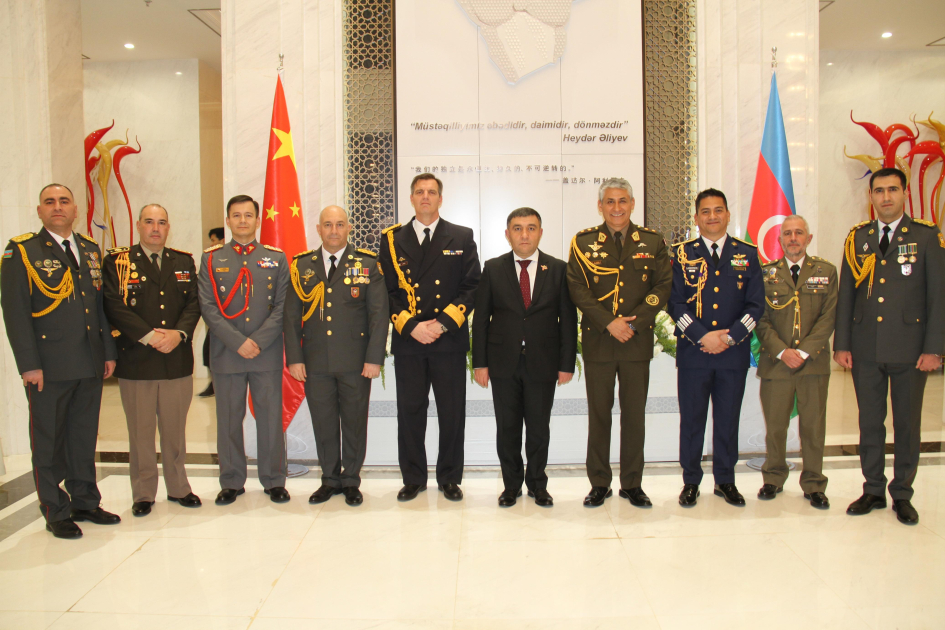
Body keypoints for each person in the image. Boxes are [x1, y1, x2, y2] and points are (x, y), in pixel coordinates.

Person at [0, 183, 119, 539]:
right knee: (48, 441)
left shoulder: (89, 249)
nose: (57, 207)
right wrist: (28, 364)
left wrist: (107, 352)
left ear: (75, 210)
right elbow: (15, 312)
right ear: (39, 211)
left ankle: (85, 500)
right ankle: (55, 509)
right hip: (48, 366)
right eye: (49, 202)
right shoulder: (22, 250)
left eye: (64, 201)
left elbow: (97, 306)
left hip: (89, 362)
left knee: (83, 437)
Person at [834, 167, 945, 525]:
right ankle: (873, 489)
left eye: (892, 190)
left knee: (907, 424)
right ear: (870, 196)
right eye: (879, 190)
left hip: (911, 349)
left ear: (904, 194)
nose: (885, 197)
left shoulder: (927, 236)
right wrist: (842, 343)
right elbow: (847, 295)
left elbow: (938, 296)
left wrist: (934, 348)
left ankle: (902, 493)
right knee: (870, 422)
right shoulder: (858, 238)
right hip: (865, 347)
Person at [566, 178, 672, 507]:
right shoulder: (583, 242)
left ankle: (632, 483)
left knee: (634, 416)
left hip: (635, 342)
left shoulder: (652, 241)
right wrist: (609, 322)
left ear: (632, 204)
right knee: (599, 415)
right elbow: (576, 287)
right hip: (599, 340)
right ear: (600, 206)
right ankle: (599, 482)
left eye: (622, 201)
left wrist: (634, 323)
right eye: (610, 202)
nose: (617, 207)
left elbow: (663, 286)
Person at [377, 173, 481, 502]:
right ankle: (413, 478)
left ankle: (449, 478)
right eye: (420, 192)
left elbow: (472, 286)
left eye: (432, 192)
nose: (425, 197)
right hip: (410, 340)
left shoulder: (461, 236)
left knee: (452, 413)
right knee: (410, 412)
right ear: (411, 198)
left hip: (447, 340)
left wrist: (442, 323)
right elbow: (386, 291)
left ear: (440, 199)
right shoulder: (392, 239)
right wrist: (411, 326)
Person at [102, 204, 203, 517]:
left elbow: (194, 303)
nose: (155, 228)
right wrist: (148, 336)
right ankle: (144, 492)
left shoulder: (183, 261)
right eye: (149, 222)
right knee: (141, 432)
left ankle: (179, 487)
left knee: (175, 431)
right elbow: (113, 304)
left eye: (161, 222)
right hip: (137, 361)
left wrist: (178, 334)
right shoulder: (118, 262)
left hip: (176, 360)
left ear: (168, 227)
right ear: (138, 225)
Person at [473, 207, 577, 507]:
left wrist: (566, 364)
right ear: (508, 234)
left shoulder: (557, 269)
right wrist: (480, 363)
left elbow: (568, 320)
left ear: (540, 233)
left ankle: (537, 484)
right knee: (507, 429)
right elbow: (481, 320)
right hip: (502, 362)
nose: (524, 235)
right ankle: (511, 486)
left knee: (538, 429)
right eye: (517, 228)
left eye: (531, 228)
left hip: (543, 362)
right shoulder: (493, 268)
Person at [285, 206, 388, 506]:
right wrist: (295, 358)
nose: (334, 230)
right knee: (324, 423)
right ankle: (329, 479)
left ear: (349, 228)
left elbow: (379, 314)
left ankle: (351, 480)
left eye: (340, 224)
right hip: (315, 361)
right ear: (318, 229)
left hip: (356, 362)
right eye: (328, 225)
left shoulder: (367, 264)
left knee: (354, 423)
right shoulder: (302, 265)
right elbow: (291, 316)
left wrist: (374, 358)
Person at [669, 188, 764, 507]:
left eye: (718, 210)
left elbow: (755, 306)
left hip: (732, 355)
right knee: (692, 421)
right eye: (706, 211)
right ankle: (691, 481)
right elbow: (675, 303)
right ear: (696, 218)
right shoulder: (682, 254)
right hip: (694, 354)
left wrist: (730, 337)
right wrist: (701, 336)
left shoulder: (747, 253)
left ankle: (725, 480)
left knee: (727, 420)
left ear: (727, 214)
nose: (712, 216)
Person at [197, 194, 291, 505]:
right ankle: (231, 481)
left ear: (257, 220)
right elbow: (208, 307)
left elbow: (283, 307)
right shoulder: (211, 259)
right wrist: (238, 342)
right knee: (228, 420)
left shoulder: (276, 258)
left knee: (270, 419)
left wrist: (258, 341)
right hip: (228, 354)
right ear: (227, 220)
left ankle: (274, 479)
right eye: (236, 215)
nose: (242, 221)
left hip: (266, 353)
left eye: (248, 215)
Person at [755, 215, 837, 509]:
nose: (793, 238)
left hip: (813, 364)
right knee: (776, 426)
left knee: (813, 427)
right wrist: (782, 351)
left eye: (799, 233)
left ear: (808, 238)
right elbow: (759, 318)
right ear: (780, 240)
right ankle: (774, 477)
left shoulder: (826, 271)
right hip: (776, 363)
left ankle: (814, 483)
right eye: (787, 233)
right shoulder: (765, 274)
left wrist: (802, 352)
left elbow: (829, 317)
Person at [198, 226, 225, 398]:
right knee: (207, 349)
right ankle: (213, 383)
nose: (211, 244)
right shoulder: (209, 260)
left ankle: (213, 384)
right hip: (217, 320)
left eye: (214, 240)